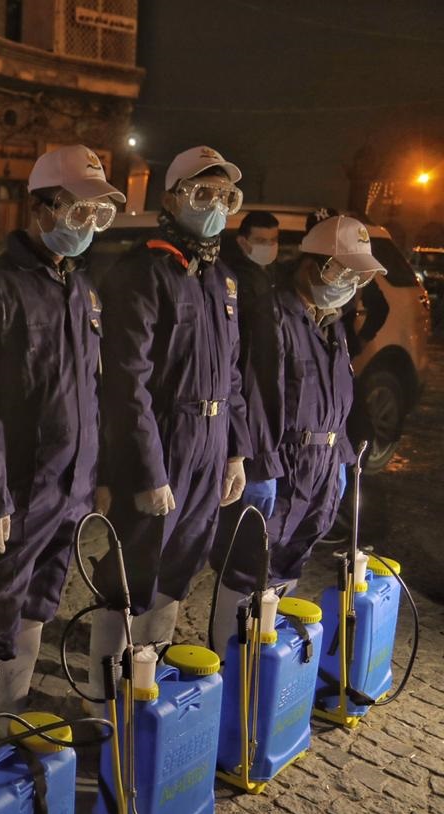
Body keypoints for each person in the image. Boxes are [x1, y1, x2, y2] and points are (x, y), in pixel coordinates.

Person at [0, 145, 122, 719]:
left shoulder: (81, 288)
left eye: (99, 214)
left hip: (69, 492)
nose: (89, 225)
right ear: (41, 207)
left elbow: (91, 395)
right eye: (79, 211)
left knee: (37, 608)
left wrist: (95, 477)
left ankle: (11, 717)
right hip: (17, 492)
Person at [90, 146, 250, 697]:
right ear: (170, 199)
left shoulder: (219, 280)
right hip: (162, 444)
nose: (213, 206)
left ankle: (146, 679)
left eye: (224, 196)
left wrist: (235, 452)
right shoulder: (143, 273)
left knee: (181, 565)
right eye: (201, 193)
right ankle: (105, 692)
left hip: (209, 447)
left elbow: (231, 375)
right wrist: (148, 470)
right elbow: (125, 384)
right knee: (131, 574)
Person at [209, 215, 380, 653]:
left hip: (322, 466)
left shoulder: (332, 323)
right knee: (247, 570)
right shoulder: (272, 314)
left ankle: (263, 659)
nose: (350, 283)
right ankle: (232, 668)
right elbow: (250, 391)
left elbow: (338, 397)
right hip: (281, 464)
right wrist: (257, 464)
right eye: (343, 271)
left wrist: (339, 458)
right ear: (312, 265)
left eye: (357, 276)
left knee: (288, 565)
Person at [208, 211, 282, 579]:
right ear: (242, 241)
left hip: (258, 428)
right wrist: (246, 444)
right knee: (238, 542)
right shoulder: (233, 282)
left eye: (274, 240)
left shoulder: (261, 281)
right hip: (246, 425)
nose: (270, 247)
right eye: (262, 240)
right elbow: (245, 372)